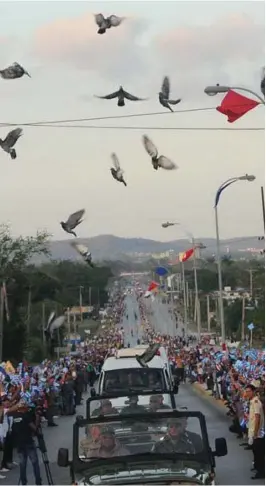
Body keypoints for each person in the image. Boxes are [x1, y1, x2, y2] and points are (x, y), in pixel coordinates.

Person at [8, 401, 42, 485]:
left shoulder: (13, 416)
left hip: (19, 444)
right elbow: (35, 429)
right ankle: (38, 482)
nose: (27, 408)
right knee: (35, 463)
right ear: (23, 408)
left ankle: (24, 482)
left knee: (22, 464)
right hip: (28, 442)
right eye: (26, 407)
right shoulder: (25, 416)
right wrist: (37, 417)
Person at [246, 384, 265, 480]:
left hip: (257, 432)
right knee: (255, 451)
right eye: (247, 391)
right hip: (253, 430)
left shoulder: (256, 402)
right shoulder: (252, 401)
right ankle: (258, 468)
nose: (247, 393)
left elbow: (257, 417)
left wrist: (256, 432)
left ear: (253, 391)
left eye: (249, 391)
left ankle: (261, 472)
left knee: (259, 453)